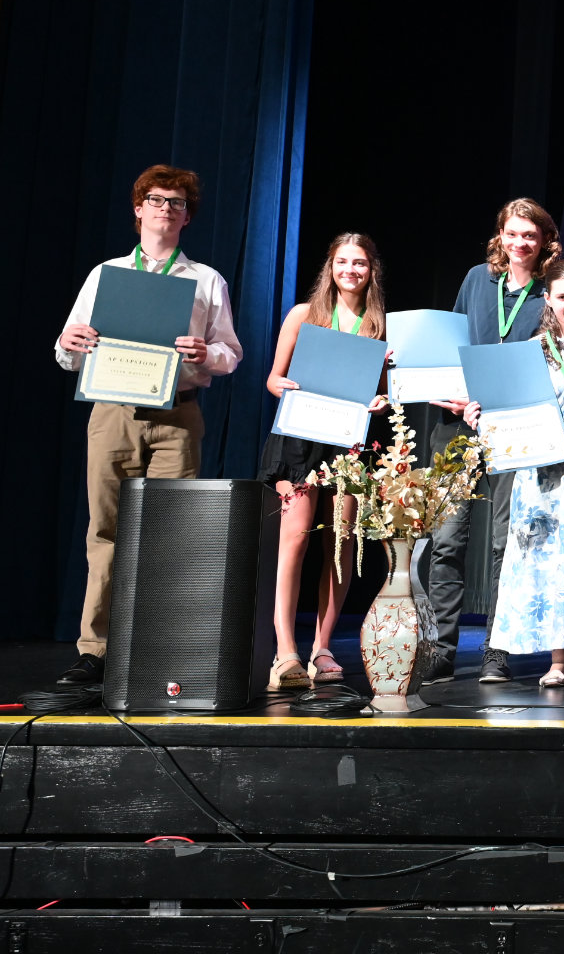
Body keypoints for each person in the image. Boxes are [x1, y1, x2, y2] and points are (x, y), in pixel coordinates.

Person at [54, 166, 243, 687]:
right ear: (138, 209)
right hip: (112, 412)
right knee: (105, 531)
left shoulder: (205, 280)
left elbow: (231, 352)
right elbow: (66, 351)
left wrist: (209, 354)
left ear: (188, 217)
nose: (166, 208)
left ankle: (159, 652)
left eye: (177, 203)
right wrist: (70, 346)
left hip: (177, 417)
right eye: (157, 200)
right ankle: (95, 651)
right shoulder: (107, 273)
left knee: (170, 537)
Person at [465, 260, 564, 689]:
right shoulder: (530, 349)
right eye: (563, 297)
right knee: (550, 563)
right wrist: (479, 412)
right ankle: (557, 660)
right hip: (542, 472)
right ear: (548, 300)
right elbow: (506, 404)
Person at [422, 198, 561, 686]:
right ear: (500, 234)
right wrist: (455, 397)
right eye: (513, 233)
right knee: (446, 540)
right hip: (459, 424)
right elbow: (451, 344)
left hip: (517, 429)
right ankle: (441, 646)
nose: (521, 242)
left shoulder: (551, 291)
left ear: (544, 240)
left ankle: (497, 650)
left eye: (531, 235)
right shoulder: (477, 279)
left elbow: (555, 362)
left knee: (508, 543)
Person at [260, 234, 390, 690]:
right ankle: (285, 649)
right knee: (294, 537)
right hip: (300, 439)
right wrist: (288, 388)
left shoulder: (378, 326)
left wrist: (380, 401)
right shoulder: (304, 314)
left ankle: (322, 646)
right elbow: (273, 379)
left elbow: (383, 393)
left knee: (340, 543)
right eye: (342, 262)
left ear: (371, 269)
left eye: (359, 263)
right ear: (330, 267)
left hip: (348, 443)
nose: (350, 270)